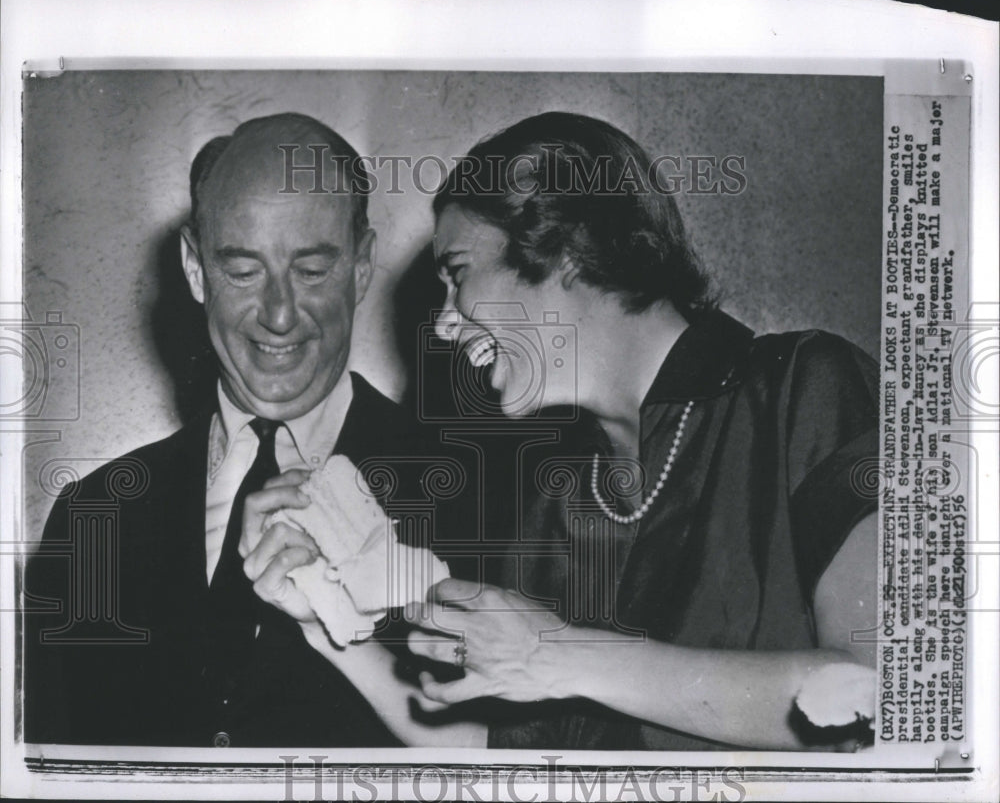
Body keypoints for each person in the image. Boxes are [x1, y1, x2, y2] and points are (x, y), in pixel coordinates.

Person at [398, 111, 880, 751]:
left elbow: (878, 697)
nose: (443, 324)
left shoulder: (807, 389)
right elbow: (514, 760)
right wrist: (326, 623)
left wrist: (562, 656)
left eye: (458, 273)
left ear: (565, 248)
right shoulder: (557, 497)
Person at [23, 112, 480, 748]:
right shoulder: (94, 517)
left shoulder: (476, 492)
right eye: (242, 271)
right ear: (192, 267)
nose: (279, 314)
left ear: (362, 265)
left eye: (312, 270)